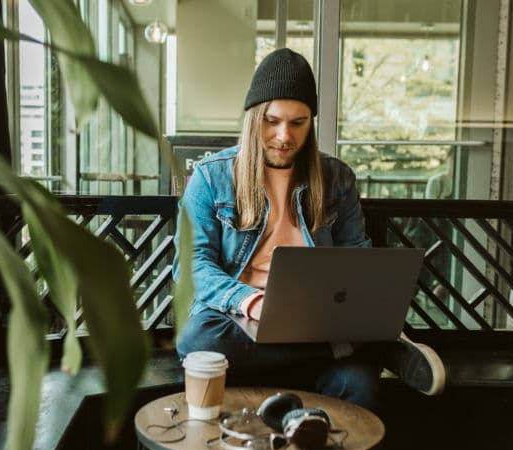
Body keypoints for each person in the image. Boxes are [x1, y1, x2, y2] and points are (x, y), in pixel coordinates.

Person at [173, 48, 445, 412]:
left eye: (298, 123)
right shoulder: (211, 177)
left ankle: (349, 347)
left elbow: (356, 259)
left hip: (319, 323)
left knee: (358, 387)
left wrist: (355, 309)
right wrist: (254, 302)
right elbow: (193, 266)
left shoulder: (337, 178)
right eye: (272, 121)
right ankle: (370, 346)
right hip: (236, 318)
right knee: (197, 341)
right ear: (254, 118)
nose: (284, 136)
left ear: (311, 123)